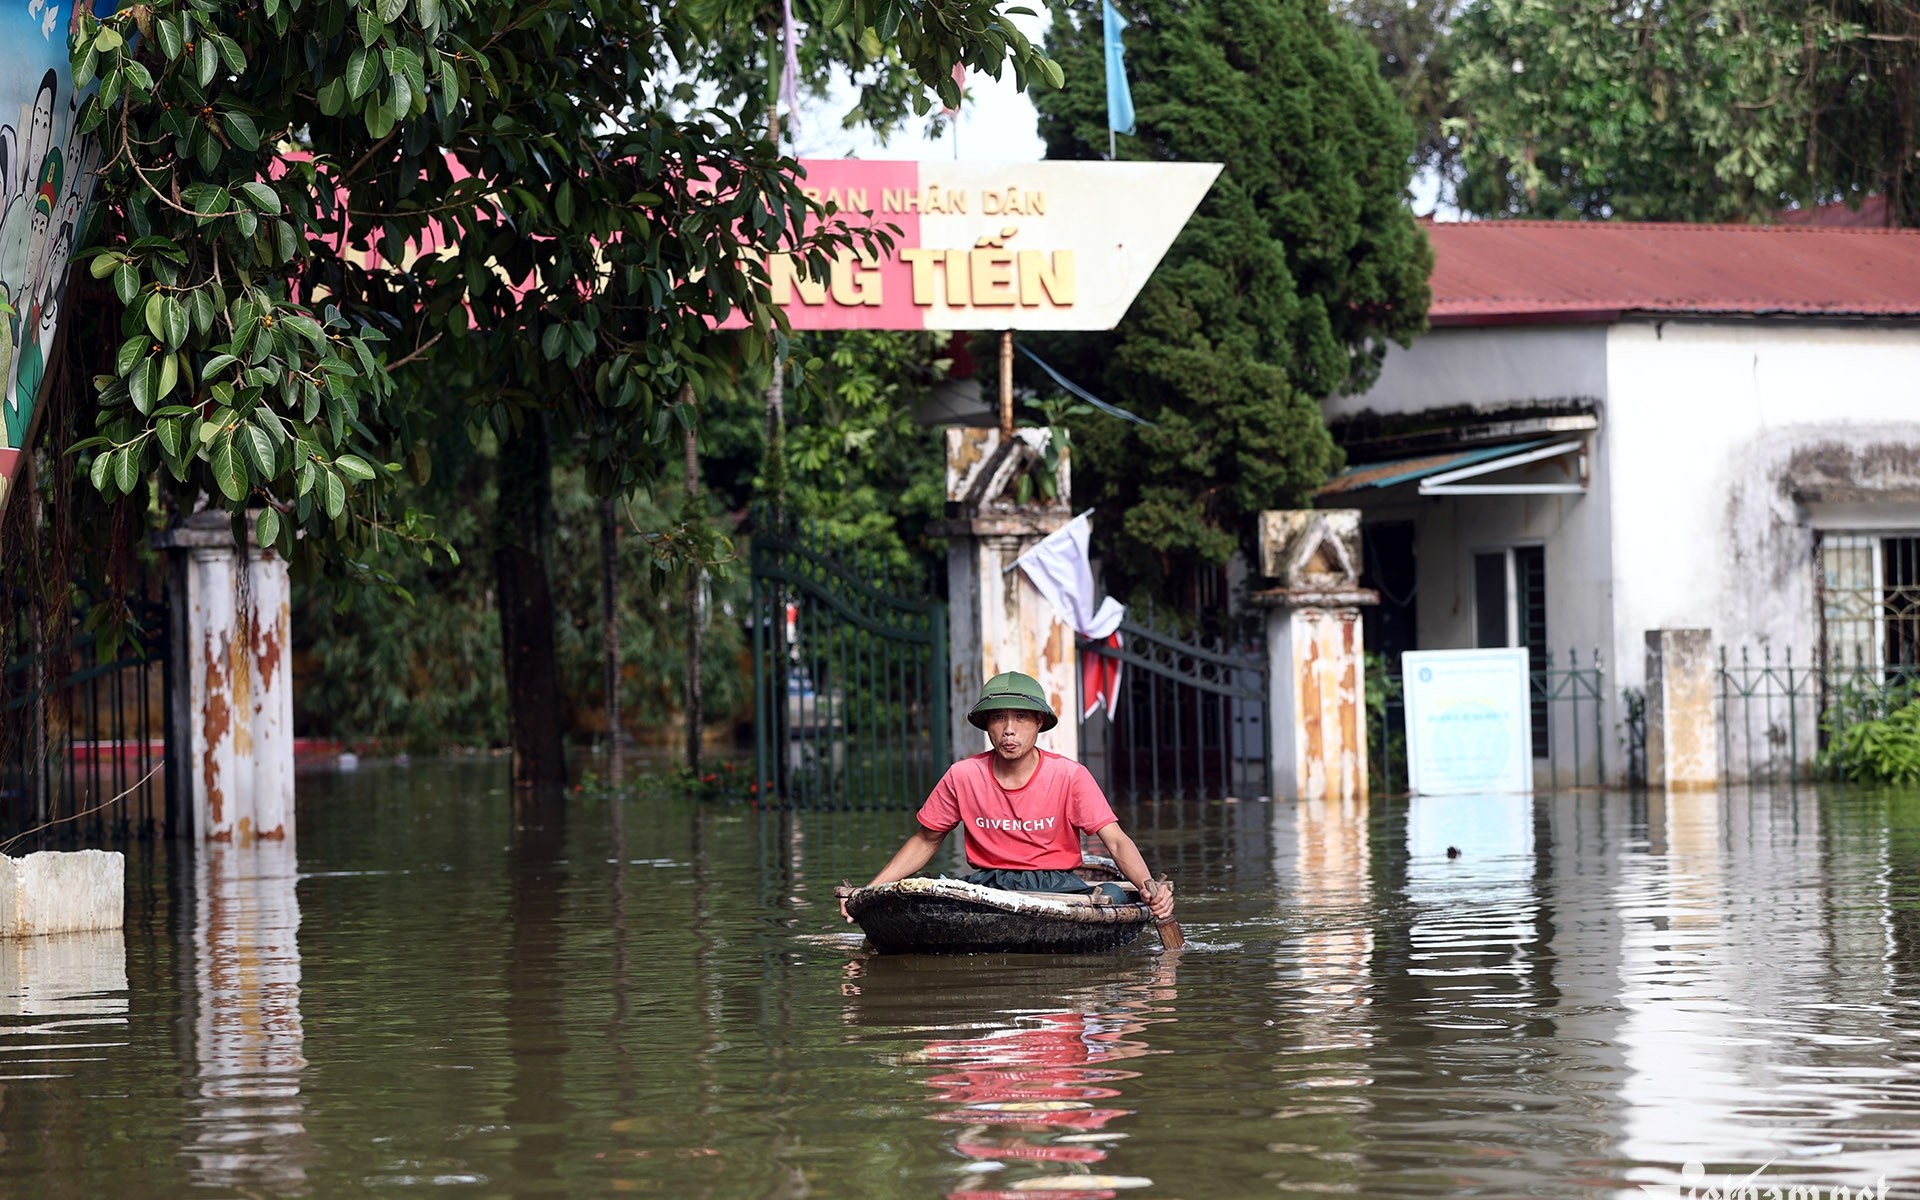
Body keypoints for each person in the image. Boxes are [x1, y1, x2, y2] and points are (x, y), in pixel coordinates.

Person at [840, 671, 1176, 925]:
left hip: (1058, 885)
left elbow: (1115, 842)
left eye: (1021, 717)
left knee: (1116, 895)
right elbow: (926, 840)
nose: (1009, 730)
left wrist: (1148, 886)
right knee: (924, 896)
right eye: (999, 717)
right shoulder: (963, 775)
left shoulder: (1069, 775)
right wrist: (867, 893)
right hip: (990, 884)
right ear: (987, 724)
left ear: (1039, 722)